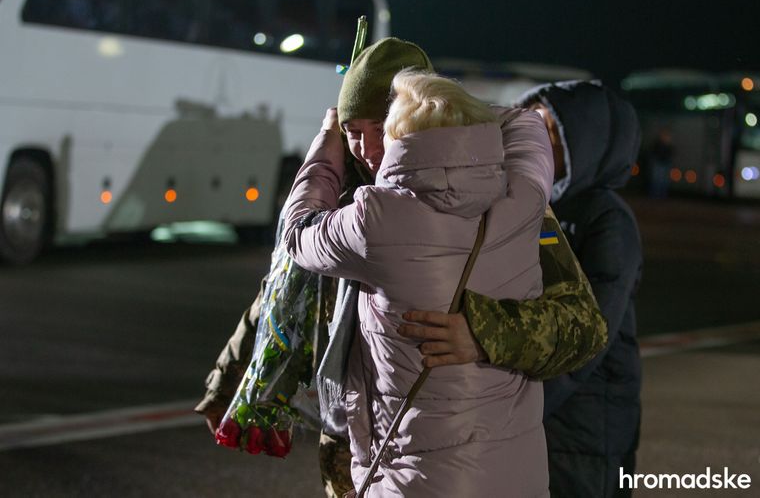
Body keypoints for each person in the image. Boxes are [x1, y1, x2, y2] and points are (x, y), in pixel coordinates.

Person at [196, 38, 607, 498]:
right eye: (351, 130)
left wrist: (484, 332)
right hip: (354, 458)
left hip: (435, 455)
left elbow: (583, 324)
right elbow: (281, 289)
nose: (368, 148)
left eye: (378, 127)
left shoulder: (498, 197)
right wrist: (229, 376)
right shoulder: (344, 189)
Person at [282, 68, 554, 495]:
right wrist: (461, 112)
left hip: (416, 481)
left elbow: (297, 233)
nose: (370, 148)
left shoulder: (378, 219)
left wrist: (326, 141)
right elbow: (528, 124)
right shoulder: (521, 200)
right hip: (518, 476)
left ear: (401, 140)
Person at [409, 80, 643, 497]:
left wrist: (507, 411)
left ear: (583, 146)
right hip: (529, 402)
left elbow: (587, 340)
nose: (529, 140)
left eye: (546, 132)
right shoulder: (522, 201)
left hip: (583, 423)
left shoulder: (606, 220)